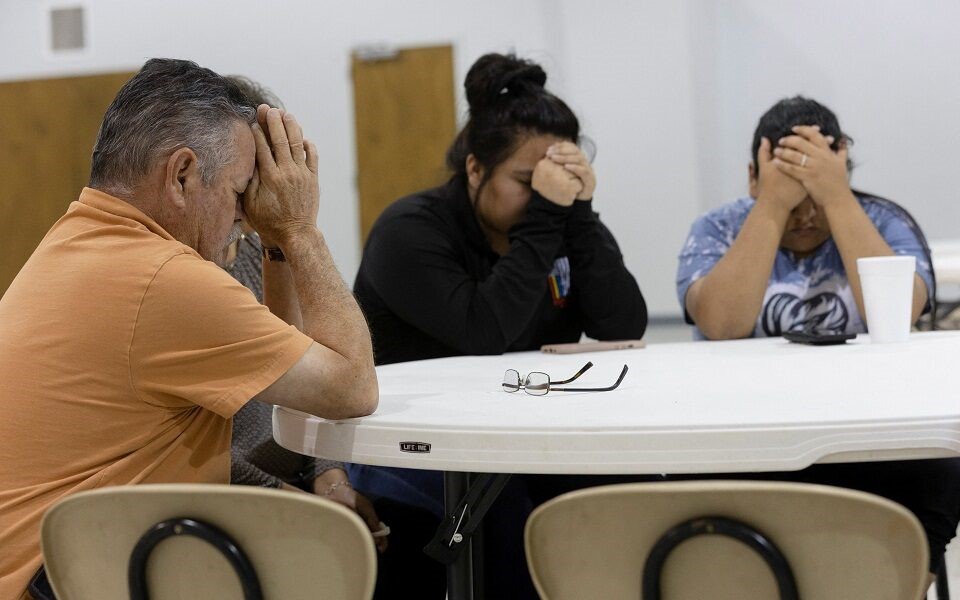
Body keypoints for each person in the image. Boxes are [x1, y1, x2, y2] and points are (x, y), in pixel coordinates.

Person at [0, 58, 377, 599]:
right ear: (181, 175)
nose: (241, 217)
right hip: (67, 582)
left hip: (60, 567)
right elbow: (352, 387)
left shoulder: (75, 241)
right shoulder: (163, 280)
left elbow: (288, 370)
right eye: (238, 193)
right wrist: (299, 228)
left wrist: (274, 244)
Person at [350, 52, 648, 598]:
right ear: (474, 169)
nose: (546, 195)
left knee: (633, 494)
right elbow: (485, 332)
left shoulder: (558, 222)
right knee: (508, 523)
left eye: (562, 178)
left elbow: (623, 323)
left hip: (520, 438)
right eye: (528, 180)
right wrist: (549, 218)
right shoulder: (409, 231)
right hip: (412, 447)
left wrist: (579, 214)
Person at [676, 95, 960, 580]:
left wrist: (838, 198)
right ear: (753, 176)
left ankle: (899, 582)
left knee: (943, 463)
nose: (805, 216)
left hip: (866, 431)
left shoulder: (883, 221)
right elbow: (721, 325)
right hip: (748, 430)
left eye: (815, 196)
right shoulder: (718, 227)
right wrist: (770, 207)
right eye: (791, 194)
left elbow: (902, 311)